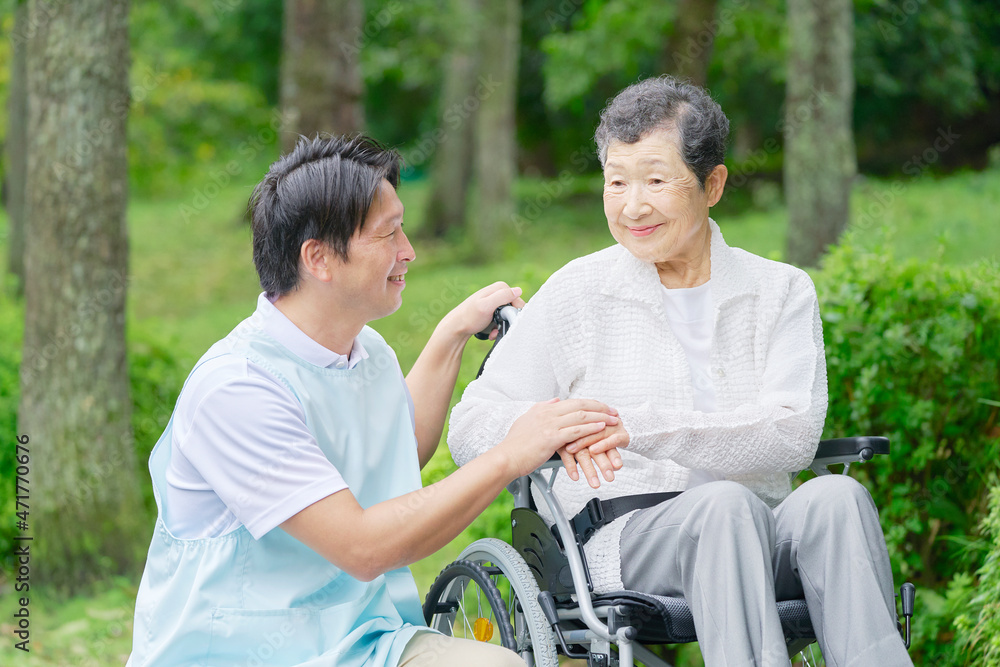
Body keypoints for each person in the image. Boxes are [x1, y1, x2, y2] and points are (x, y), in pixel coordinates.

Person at [448, 76, 913, 667]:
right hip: (625, 536)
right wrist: (555, 424)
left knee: (837, 498)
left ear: (711, 184)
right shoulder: (579, 291)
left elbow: (793, 434)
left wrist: (638, 426)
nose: (631, 205)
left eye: (656, 180)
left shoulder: (780, 290)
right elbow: (469, 428)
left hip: (761, 525)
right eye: (616, 182)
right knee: (723, 507)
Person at [126, 135, 624, 667]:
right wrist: (508, 455)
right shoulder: (238, 390)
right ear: (318, 258)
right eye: (388, 234)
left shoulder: (365, 351)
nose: (409, 250)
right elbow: (363, 548)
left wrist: (452, 334)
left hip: (365, 639)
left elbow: (396, 451)